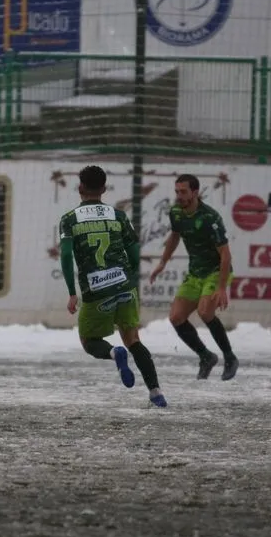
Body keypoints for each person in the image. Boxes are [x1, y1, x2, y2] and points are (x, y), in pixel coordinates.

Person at [59, 165, 167, 408]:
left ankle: (113, 353)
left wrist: (71, 293)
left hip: (96, 291)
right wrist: (129, 277)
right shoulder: (118, 215)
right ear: (104, 189)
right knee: (134, 340)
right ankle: (156, 392)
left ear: (80, 188)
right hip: (124, 285)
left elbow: (66, 257)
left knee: (89, 341)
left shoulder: (70, 220)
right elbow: (134, 249)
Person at [150, 173, 238, 381]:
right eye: (177, 191)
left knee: (205, 311)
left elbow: (225, 255)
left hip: (216, 271)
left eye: (183, 192)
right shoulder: (176, 213)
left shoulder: (210, 217)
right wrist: (162, 262)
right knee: (176, 317)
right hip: (195, 272)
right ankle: (206, 356)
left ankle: (229, 357)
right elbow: (174, 236)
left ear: (195, 193)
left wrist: (221, 288)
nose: (179, 196)